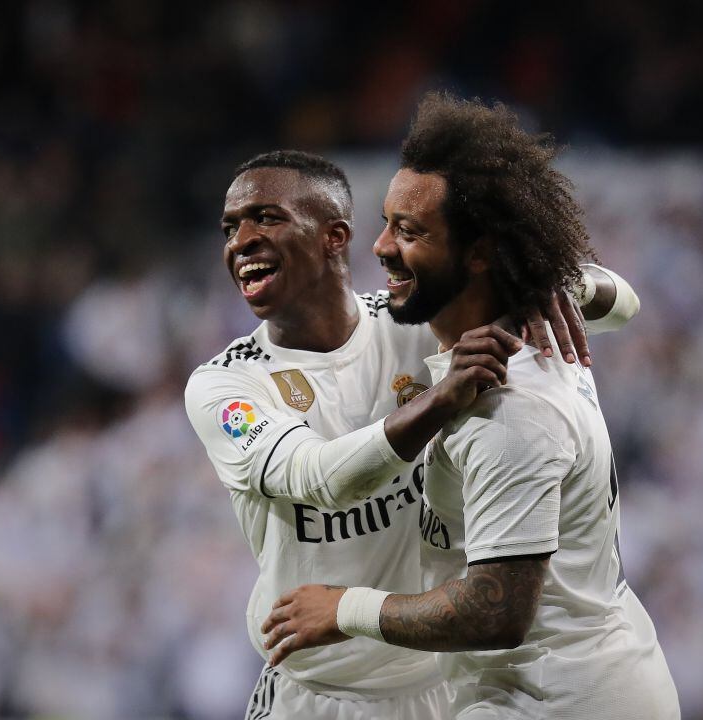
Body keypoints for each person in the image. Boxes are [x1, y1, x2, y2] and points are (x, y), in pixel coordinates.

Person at [261, 95, 680, 719]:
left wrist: (344, 607)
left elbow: (496, 612)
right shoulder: (518, 331)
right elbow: (623, 302)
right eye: (385, 221)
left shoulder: (507, 409)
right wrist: (559, 281)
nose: (380, 247)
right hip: (581, 678)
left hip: (557, 699)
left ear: (479, 253)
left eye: (410, 231)